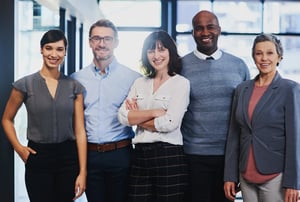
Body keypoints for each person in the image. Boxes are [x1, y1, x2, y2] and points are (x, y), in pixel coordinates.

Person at [1, 29, 87, 202]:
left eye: (59, 49)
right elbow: (6, 119)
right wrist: (19, 149)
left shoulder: (74, 86)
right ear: (41, 50)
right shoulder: (24, 84)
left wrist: (82, 172)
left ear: (65, 52)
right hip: (38, 157)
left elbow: (80, 131)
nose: (54, 54)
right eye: (49, 48)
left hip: (68, 159)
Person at [180, 10, 250, 202]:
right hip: (192, 156)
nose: (205, 32)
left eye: (210, 27)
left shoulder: (239, 66)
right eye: (199, 28)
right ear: (193, 33)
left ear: (219, 30)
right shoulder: (180, 66)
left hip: (229, 157)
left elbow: (247, 113)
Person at [224, 34, 300, 202]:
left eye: (270, 53)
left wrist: (294, 183)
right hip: (245, 174)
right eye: (259, 53)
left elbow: (295, 140)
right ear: (253, 57)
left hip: (275, 175)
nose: (264, 58)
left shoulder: (290, 89)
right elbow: (234, 135)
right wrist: (230, 175)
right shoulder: (241, 90)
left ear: (279, 56)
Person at [71, 19, 141, 202]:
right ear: (89, 42)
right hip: (89, 157)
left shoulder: (133, 79)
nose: (102, 44)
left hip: (121, 155)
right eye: (96, 38)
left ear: (116, 42)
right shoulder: (76, 79)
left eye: (107, 39)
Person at [118, 30, 190, 202]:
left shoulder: (181, 83)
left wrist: (138, 118)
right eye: (151, 51)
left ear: (170, 52)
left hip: (169, 156)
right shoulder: (139, 83)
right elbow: (122, 116)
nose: (156, 55)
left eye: (161, 49)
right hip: (140, 155)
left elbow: (170, 123)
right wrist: (153, 113)